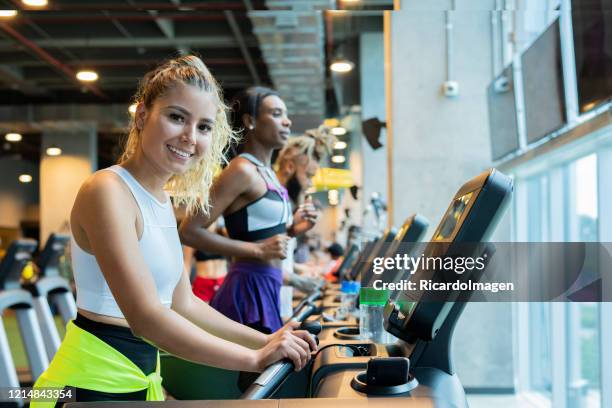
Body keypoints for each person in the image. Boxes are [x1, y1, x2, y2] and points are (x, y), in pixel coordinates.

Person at [32, 56, 316, 406]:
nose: (190, 137)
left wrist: (269, 339)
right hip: (86, 383)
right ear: (142, 116)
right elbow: (146, 318)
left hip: (139, 376)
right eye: (177, 117)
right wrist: (254, 359)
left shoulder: (162, 200)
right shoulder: (106, 190)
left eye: (204, 127)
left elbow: (184, 303)